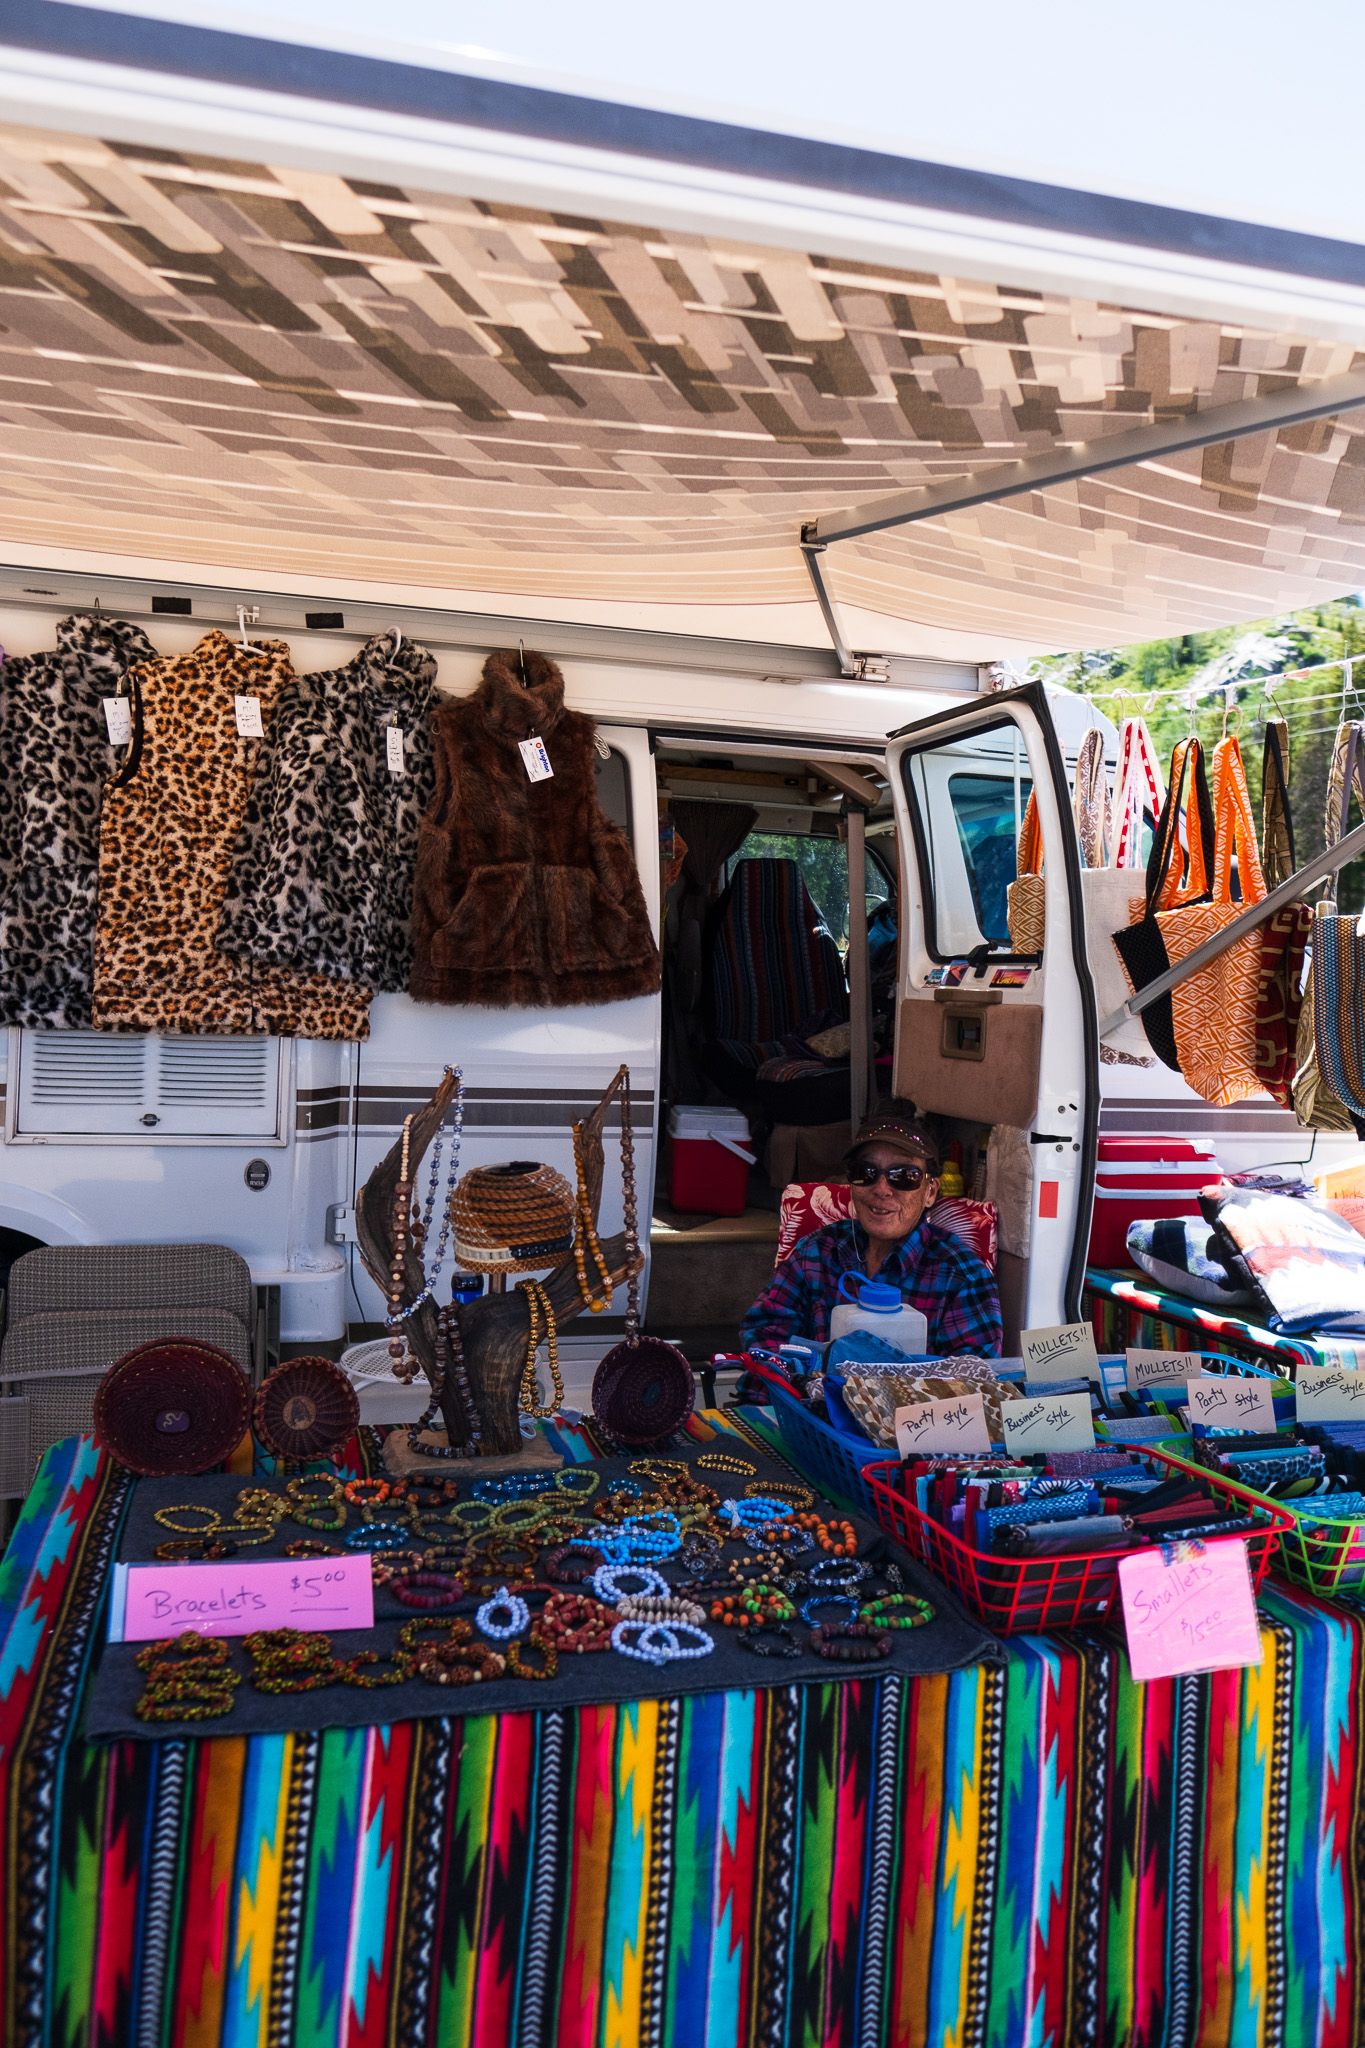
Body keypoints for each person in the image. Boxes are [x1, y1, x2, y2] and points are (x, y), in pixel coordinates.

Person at [741, 1106, 1002, 1356]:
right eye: (866, 1172)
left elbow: (971, 1377)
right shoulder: (817, 1252)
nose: (881, 1189)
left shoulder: (961, 1274)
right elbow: (763, 1333)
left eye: (903, 1176)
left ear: (930, 1191)